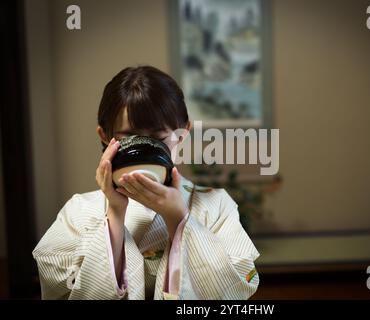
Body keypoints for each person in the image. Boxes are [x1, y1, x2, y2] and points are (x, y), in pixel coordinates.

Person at [32, 66, 260, 300]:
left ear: (182, 133)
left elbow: (235, 286)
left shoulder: (216, 204)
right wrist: (115, 212)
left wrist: (179, 220)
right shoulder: (79, 210)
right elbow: (59, 285)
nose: (144, 150)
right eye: (128, 138)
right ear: (104, 135)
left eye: (157, 139)